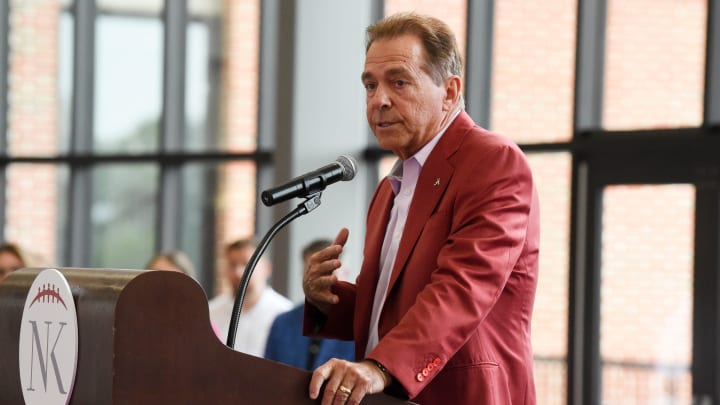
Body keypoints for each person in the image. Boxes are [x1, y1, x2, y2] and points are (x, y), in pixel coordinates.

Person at [302, 12, 540, 404]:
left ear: (449, 92)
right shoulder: (390, 187)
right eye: (370, 85)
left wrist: (380, 367)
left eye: (399, 82)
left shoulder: (493, 161)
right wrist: (325, 298)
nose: (379, 99)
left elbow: (463, 288)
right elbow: (387, 307)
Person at [264, 239, 355, 370]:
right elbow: (267, 374)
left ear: (345, 274)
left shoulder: (360, 328)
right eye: (312, 272)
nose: (320, 280)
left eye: (328, 271)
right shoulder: (282, 323)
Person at [209, 238, 292, 356]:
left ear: (266, 268)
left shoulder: (284, 313)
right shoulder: (211, 313)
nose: (238, 272)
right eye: (232, 265)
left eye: (246, 264)